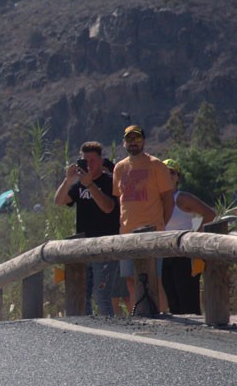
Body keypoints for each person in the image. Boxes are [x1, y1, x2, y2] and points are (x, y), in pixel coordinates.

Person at [112, 125, 174, 314]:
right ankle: (139, 314)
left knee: (154, 279)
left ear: (143, 141)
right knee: (131, 278)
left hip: (152, 232)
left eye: (137, 139)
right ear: (124, 142)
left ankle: (163, 315)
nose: (133, 143)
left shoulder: (157, 165)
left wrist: (161, 224)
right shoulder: (119, 168)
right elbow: (118, 199)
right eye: (129, 139)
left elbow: (168, 200)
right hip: (127, 233)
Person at [53, 141, 120, 316]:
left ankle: (108, 331)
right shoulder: (79, 185)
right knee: (83, 294)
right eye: (85, 160)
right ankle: (88, 331)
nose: (89, 164)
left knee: (101, 295)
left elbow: (108, 207)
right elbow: (59, 200)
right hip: (83, 246)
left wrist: (91, 185)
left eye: (93, 160)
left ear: (101, 160)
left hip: (106, 245)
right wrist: (68, 181)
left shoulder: (110, 182)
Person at [160, 159, 216, 314]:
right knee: (172, 299)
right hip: (165, 253)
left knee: (188, 299)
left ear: (178, 177)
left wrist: (196, 234)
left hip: (185, 253)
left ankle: (195, 334)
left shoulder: (182, 198)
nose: (168, 176)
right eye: (165, 173)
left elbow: (210, 214)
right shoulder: (157, 199)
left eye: (172, 172)